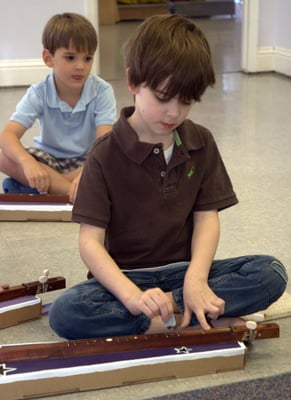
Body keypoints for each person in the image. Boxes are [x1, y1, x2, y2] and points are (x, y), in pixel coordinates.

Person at [49, 14, 288, 340]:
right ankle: (178, 316)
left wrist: (196, 280)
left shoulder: (200, 141)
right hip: (126, 280)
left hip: (184, 273)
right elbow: (90, 243)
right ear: (133, 82)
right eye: (163, 97)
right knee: (67, 312)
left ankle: (180, 308)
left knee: (271, 271)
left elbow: (207, 218)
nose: (174, 112)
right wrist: (134, 297)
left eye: (186, 101)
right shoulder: (104, 154)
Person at [0, 13, 116, 203]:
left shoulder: (102, 91)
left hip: (89, 159)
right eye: (70, 58)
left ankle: (48, 189)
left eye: (87, 58)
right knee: (4, 158)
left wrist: (88, 171)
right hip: (50, 160)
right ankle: (73, 192)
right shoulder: (39, 92)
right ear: (48, 58)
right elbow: (7, 135)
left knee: (117, 157)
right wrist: (28, 163)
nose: (80, 66)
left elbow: (104, 143)